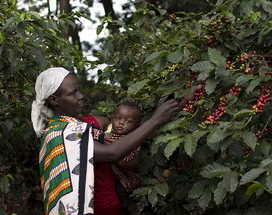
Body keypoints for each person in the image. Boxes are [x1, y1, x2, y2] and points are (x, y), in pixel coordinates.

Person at [31, 67, 198, 215]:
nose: (81, 96)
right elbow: (112, 153)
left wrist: (183, 102)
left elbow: (135, 129)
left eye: (79, 90)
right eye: (73, 93)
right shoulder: (58, 133)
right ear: (54, 100)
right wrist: (155, 120)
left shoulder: (91, 123)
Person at [84, 101, 144, 215]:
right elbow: (96, 134)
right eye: (118, 118)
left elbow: (129, 159)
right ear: (112, 119)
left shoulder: (131, 139)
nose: (121, 123)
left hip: (126, 176)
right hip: (112, 172)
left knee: (122, 193)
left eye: (128, 121)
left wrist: (112, 148)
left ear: (136, 126)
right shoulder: (109, 129)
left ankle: (133, 208)